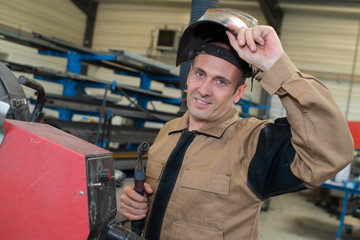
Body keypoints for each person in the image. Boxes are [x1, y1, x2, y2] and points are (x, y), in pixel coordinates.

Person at [120, 8, 354, 240]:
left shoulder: (254, 144)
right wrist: (137, 203)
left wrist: (277, 66)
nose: (204, 90)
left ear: (238, 92)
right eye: (200, 74)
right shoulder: (168, 131)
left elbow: (330, 151)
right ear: (189, 74)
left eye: (220, 82)